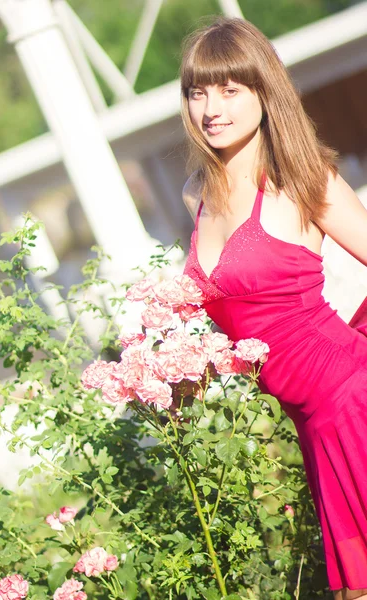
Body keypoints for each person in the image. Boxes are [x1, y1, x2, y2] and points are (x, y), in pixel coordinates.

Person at [180, 17, 367, 600]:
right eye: (198, 91)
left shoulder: (302, 179)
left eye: (230, 90)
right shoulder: (198, 194)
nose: (212, 107)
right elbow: (240, 320)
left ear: (265, 91)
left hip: (353, 398)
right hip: (311, 424)